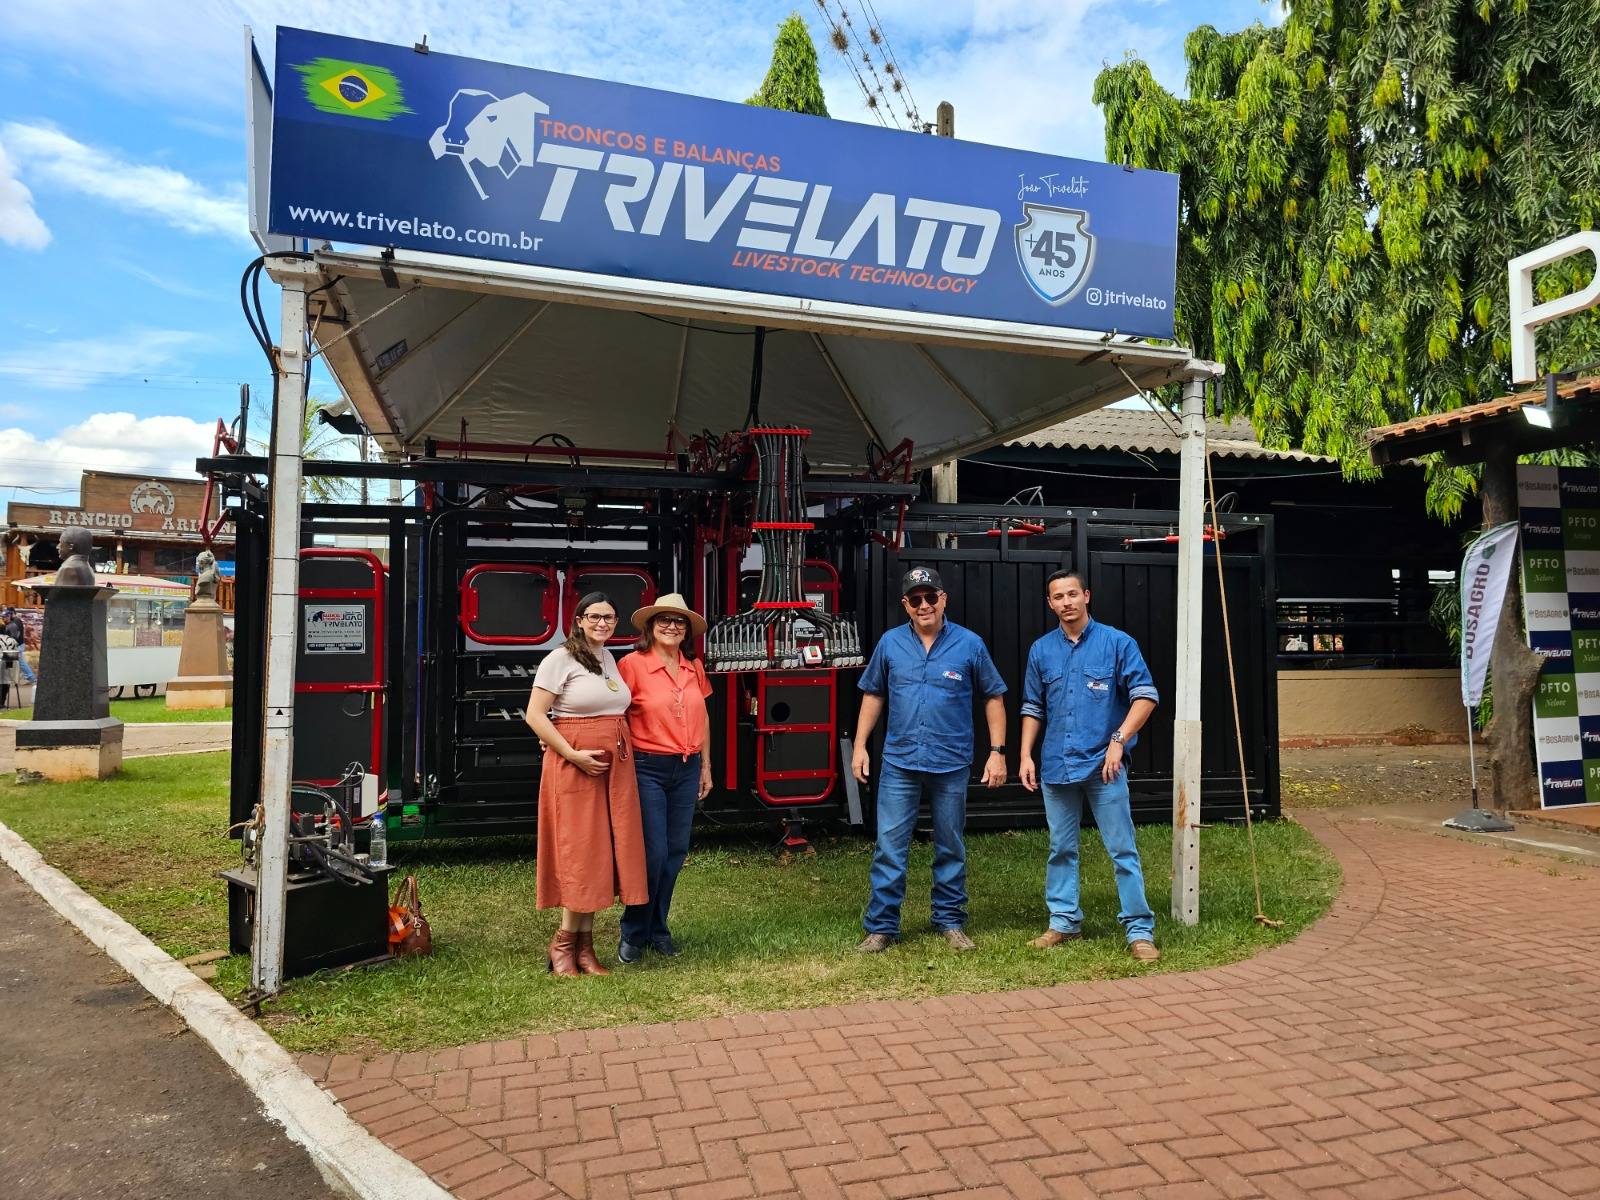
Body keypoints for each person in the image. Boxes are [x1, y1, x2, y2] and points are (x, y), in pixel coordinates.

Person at [852, 566, 1007, 953]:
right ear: (906, 605)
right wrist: (859, 746)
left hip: (951, 762)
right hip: (900, 762)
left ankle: (950, 921)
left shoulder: (970, 644)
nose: (924, 605)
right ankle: (882, 927)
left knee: (950, 845)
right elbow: (874, 694)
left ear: (943, 599)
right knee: (890, 847)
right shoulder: (890, 644)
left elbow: (993, 697)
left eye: (931, 597)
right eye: (916, 599)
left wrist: (997, 753)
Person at [1018, 570, 1162, 962]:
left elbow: (1146, 697)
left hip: (1104, 767)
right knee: (1060, 848)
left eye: (1072, 594)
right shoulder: (1041, 650)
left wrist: (1118, 740)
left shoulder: (1117, 643)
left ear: (1086, 596)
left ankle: (1139, 930)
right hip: (1055, 766)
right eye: (1058, 597)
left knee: (1122, 850)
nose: (1066, 602)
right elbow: (1033, 706)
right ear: (1050, 604)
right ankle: (1064, 922)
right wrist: (1025, 754)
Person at [523, 592, 648, 977]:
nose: (602, 623)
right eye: (594, 616)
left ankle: (585, 947)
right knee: (579, 850)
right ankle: (563, 944)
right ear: (578, 619)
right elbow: (535, 715)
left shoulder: (607, 658)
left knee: (601, 851)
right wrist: (570, 753)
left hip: (613, 768)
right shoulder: (559, 659)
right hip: (576, 765)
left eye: (609, 617)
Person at [616, 593, 713, 964]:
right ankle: (633, 930)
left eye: (679, 621)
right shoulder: (632, 665)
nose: (672, 626)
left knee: (675, 852)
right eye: (664, 620)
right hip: (647, 768)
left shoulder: (693, 667)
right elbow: (612, 713)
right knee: (653, 854)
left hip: (686, 768)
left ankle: (659, 929)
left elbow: (703, 717)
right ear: (650, 626)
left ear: (687, 630)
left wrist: (706, 766)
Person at [2, 608, 33, 684]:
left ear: (10, 615)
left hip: (16, 646)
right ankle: (27, 677)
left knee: (18, 662)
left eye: (5, 617)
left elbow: (14, 637)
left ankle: (31, 677)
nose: (3, 618)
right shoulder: (17, 620)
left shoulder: (13, 624)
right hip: (18, 645)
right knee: (10, 662)